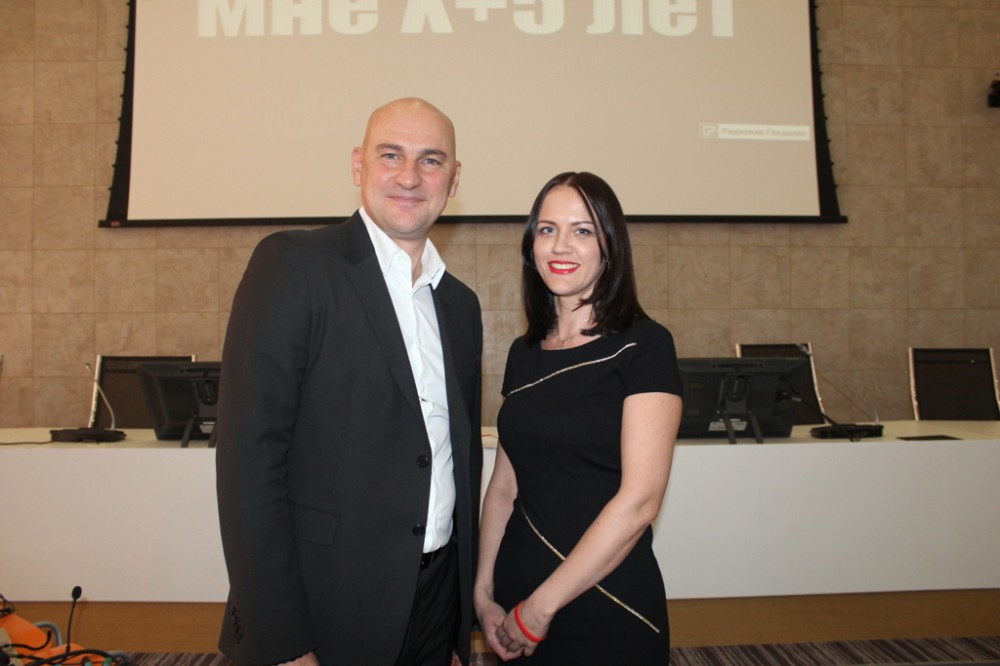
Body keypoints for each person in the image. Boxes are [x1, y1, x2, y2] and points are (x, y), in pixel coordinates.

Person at [216, 98, 483, 666]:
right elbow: (248, 462)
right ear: (359, 164)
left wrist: (455, 625)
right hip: (323, 605)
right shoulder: (295, 265)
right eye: (391, 155)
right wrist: (283, 641)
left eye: (431, 160)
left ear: (454, 179)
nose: (409, 177)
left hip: (434, 606)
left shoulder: (460, 305)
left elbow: (453, 460)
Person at [474, 172, 683, 664]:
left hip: (606, 605)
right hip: (515, 600)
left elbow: (641, 501)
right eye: (547, 229)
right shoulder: (523, 353)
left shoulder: (646, 345)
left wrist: (540, 609)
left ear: (610, 246)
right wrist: (482, 592)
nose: (560, 245)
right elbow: (504, 486)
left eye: (582, 230)